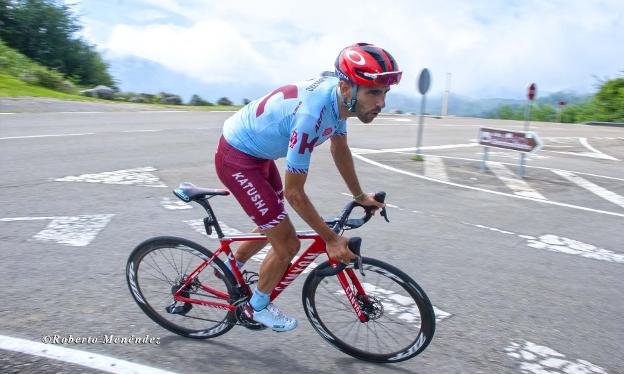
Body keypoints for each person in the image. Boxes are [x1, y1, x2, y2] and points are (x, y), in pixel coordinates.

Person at [214, 42, 402, 332]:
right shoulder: (311, 117)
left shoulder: (338, 102)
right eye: (373, 92)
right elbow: (295, 193)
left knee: (273, 221)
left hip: (258, 155)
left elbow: (340, 148)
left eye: (385, 92)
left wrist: (359, 196)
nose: (381, 103)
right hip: (238, 158)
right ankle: (256, 308)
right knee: (288, 242)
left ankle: (231, 267)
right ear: (347, 87)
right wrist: (331, 239)